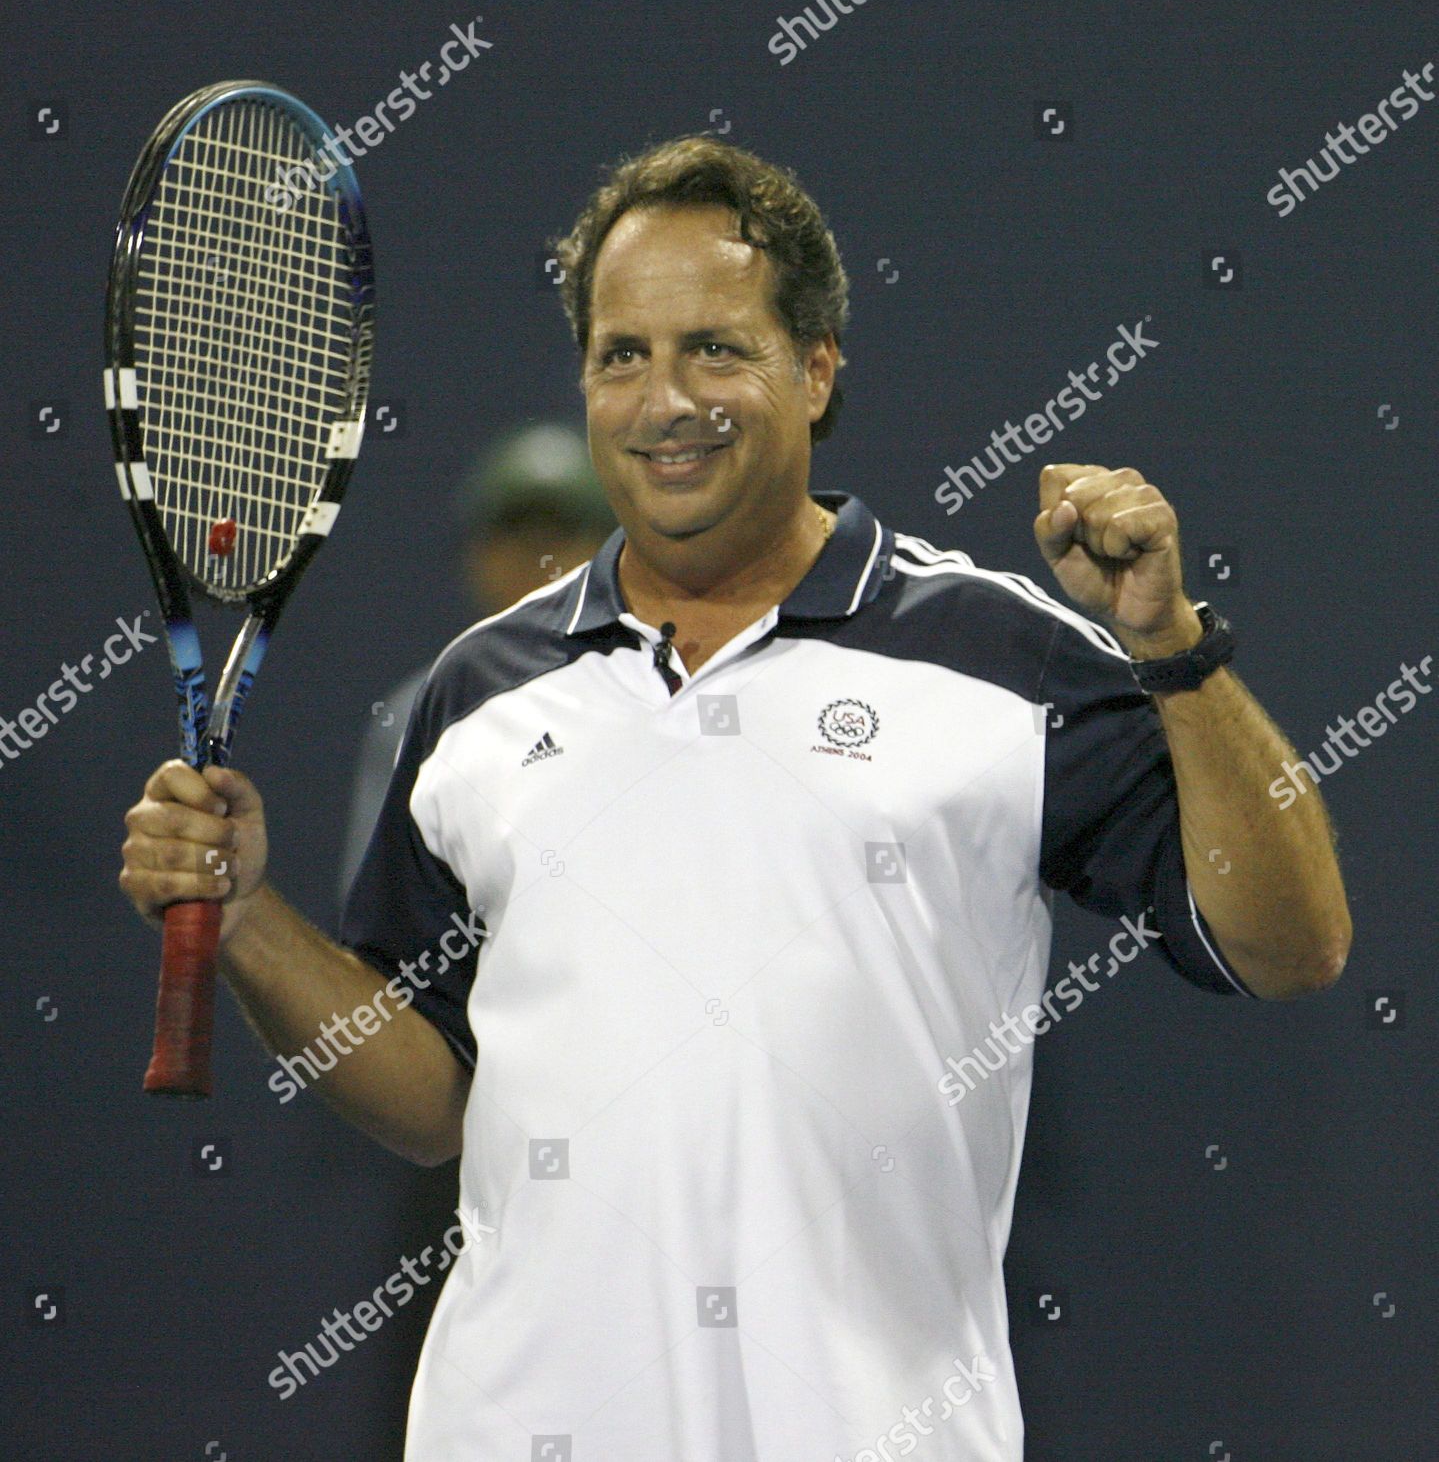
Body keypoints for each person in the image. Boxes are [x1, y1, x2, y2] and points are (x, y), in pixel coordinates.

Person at [119, 135, 1351, 1461]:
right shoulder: (476, 693)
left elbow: (1287, 945)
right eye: (620, 355)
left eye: (716, 348)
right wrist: (245, 918)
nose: (665, 401)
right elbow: (434, 1105)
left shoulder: (998, 654)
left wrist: (1171, 648)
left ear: (816, 370)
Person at [338, 422, 614, 905]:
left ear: (606, 552)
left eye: (561, 534)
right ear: (477, 559)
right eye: (516, 536)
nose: (539, 558)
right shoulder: (420, 715)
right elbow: (382, 929)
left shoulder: (650, 692)